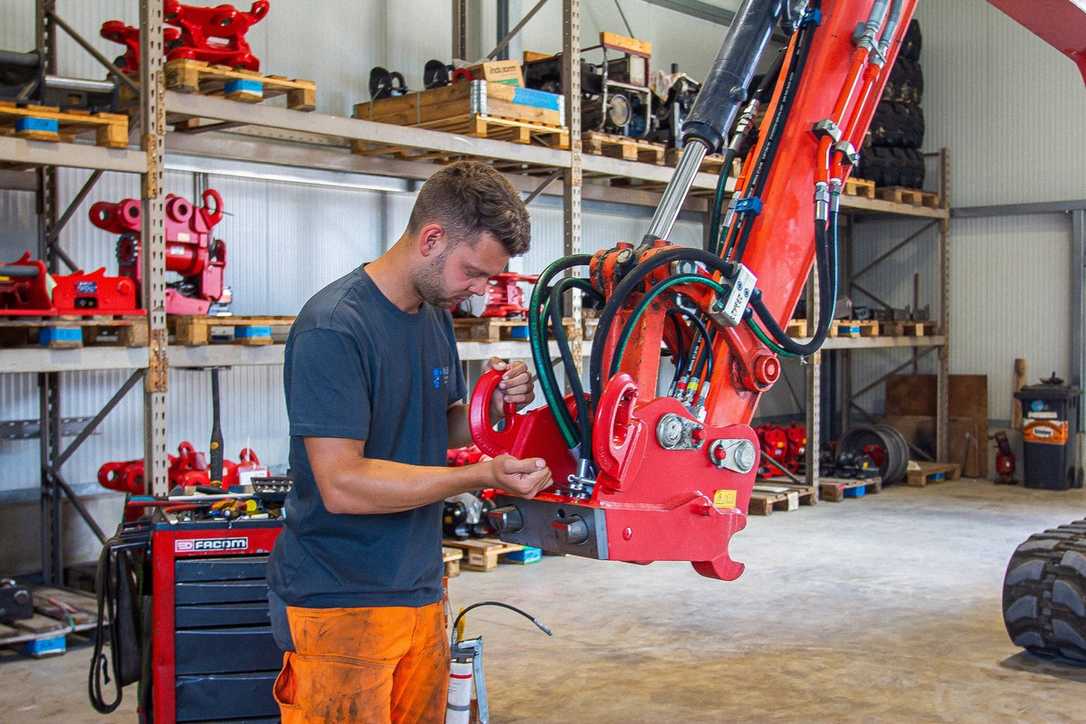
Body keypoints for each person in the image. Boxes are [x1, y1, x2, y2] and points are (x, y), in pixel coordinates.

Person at [266, 161, 554, 723]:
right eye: (474, 272)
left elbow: (432, 424)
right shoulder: (334, 327)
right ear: (431, 239)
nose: (478, 292)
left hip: (418, 589)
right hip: (340, 603)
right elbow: (343, 484)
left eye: (489, 280)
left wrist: (488, 408)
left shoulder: (432, 315)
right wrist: (480, 475)